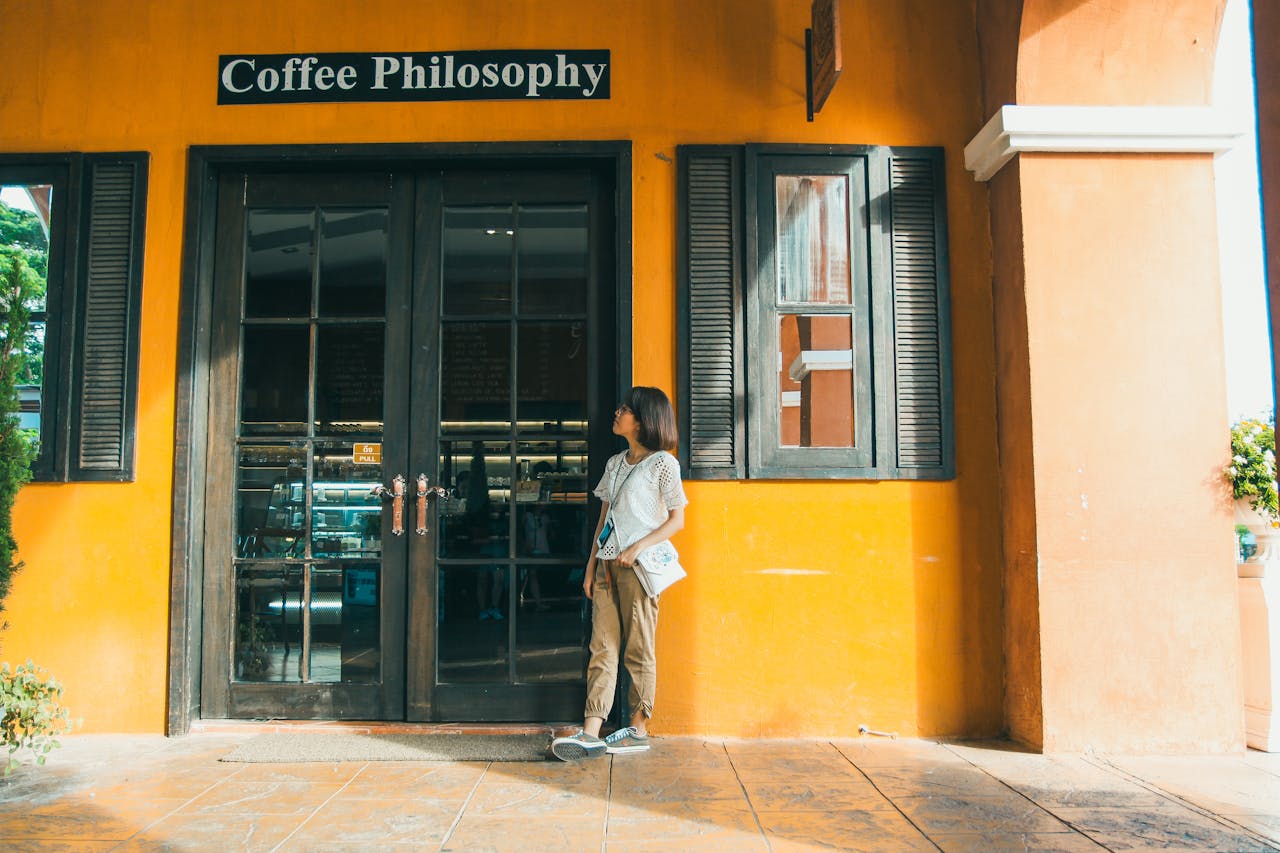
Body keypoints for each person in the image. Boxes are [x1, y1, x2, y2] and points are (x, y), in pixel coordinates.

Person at [551, 386, 687, 760]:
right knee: (603, 647)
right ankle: (591, 732)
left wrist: (638, 547)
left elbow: (678, 520)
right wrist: (591, 564)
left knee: (639, 649)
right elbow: (603, 520)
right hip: (607, 567)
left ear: (644, 419)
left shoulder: (663, 464)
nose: (617, 412)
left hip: (639, 569)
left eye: (625, 409)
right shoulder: (615, 463)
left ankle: (639, 730)